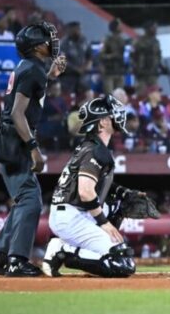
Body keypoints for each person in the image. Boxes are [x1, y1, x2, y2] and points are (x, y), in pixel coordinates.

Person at [0, 21, 67, 277]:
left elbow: (28, 98)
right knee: (30, 201)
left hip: (11, 138)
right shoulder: (32, 69)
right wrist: (33, 148)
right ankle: (16, 260)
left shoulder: (31, 68)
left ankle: (2, 255)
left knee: (24, 199)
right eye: (45, 40)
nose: (50, 42)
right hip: (16, 141)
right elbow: (17, 113)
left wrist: (50, 76)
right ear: (36, 47)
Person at [42, 95, 139, 277]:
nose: (118, 116)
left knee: (122, 254)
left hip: (71, 213)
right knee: (122, 263)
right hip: (72, 216)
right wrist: (104, 223)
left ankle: (66, 248)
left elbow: (94, 185)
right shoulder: (96, 150)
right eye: (112, 115)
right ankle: (62, 249)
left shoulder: (90, 146)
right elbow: (86, 192)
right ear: (102, 123)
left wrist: (121, 191)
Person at [59, 21, 92, 95]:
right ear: (71, 30)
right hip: (68, 77)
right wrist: (76, 69)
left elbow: (89, 56)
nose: (79, 31)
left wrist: (87, 65)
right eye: (76, 29)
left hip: (82, 76)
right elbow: (62, 60)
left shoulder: (84, 40)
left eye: (79, 29)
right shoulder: (64, 43)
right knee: (69, 97)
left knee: (87, 95)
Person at [132, 20, 166, 90]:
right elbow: (133, 56)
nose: (156, 29)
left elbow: (158, 56)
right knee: (141, 94)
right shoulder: (139, 41)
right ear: (147, 29)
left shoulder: (156, 42)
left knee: (154, 94)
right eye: (153, 27)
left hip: (153, 73)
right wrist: (136, 69)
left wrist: (162, 67)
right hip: (142, 74)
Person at [37, 80, 68, 150]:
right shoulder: (43, 101)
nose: (58, 91)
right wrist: (51, 118)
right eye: (55, 89)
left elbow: (65, 112)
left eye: (59, 89)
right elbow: (39, 116)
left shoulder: (61, 100)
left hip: (59, 123)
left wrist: (64, 116)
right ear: (49, 90)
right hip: (45, 124)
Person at [99, 18, 127, 94]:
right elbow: (101, 55)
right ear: (115, 27)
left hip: (119, 71)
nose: (121, 27)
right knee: (109, 95)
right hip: (109, 72)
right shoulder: (106, 40)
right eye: (119, 25)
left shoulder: (122, 40)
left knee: (120, 95)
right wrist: (112, 56)